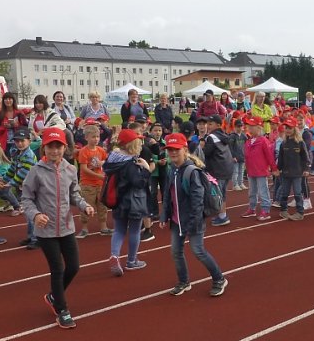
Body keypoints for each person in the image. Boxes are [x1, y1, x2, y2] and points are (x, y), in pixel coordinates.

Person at [20, 127, 94, 329]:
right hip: (46, 230)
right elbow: (26, 199)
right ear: (44, 148)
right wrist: (35, 215)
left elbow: (74, 194)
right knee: (57, 269)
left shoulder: (70, 169)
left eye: (59, 147)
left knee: (74, 266)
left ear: (65, 148)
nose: (55, 151)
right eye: (51, 147)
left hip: (67, 227)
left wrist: (84, 205)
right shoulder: (36, 171)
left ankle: (54, 296)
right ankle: (62, 309)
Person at [159, 132, 227, 297]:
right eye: (170, 150)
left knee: (198, 250)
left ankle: (219, 278)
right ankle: (183, 281)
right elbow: (167, 195)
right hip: (177, 220)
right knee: (176, 251)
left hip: (192, 219)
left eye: (176, 149)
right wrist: (164, 215)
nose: (173, 153)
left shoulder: (192, 172)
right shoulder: (171, 170)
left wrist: (194, 223)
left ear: (184, 149)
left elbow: (197, 200)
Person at [104, 128, 153, 275]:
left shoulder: (112, 159)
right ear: (132, 145)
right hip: (134, 201)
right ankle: (132, 260)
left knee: (119, 230)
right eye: (138, 142)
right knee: (134, 230)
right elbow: (138, 182)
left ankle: (114, 255)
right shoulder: (131, 163)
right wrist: (145, 170)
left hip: (118, 200)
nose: (140, 145)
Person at [2, 128, 40, 249]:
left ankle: (36, 239)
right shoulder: (18, 154)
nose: (19, 143)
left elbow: (24, 172)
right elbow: (13, 169)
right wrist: (4, 179)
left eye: (22, 141)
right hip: (22, 188)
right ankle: (31, 236)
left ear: (29, 141)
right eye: (17, 141)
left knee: (32, 214)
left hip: (31, 188)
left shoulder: (28, 155)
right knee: (28, 214)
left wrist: (10, 183)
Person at [75, 125, 110, 240]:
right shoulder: (84, 151)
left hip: (100, 184)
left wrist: (103, 163)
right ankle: (84, 228)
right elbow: (84, 169)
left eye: (97, 137)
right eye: (93, 137)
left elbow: (107, 160)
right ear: (86, 138)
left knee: (102, 206)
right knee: (87, 205)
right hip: (87, 184)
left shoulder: (100, 150)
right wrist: (99, 176)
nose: (96, 139)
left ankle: (103, 227)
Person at [242, 115, 276, 220]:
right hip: (251, 170)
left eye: (252, 126)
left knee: (263, 190)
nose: (250, 128)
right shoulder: (248, 141)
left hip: (261, 170)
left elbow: (269, 156)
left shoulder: (263, 141)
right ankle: (252, 208)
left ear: (259, 127)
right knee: (252, 191)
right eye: (249, 126)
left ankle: (266, 210)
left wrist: (274, 168)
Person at [203, 115, 234, 226]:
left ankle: (222, 216)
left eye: (210, 124)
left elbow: (207, 153)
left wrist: (202, 146)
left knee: (217, 194)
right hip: (226, 168)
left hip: (218, 169)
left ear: (217, 125)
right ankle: (222, 214)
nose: (208, 126)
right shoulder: (223, 135)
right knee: (222, 193)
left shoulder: (211, 137)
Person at [276, 117, 309, 220]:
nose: (288, 130)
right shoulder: (283, 143)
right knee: (284, 192)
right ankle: (283, 210)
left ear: (295, 128)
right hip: (285, 173)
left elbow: (305, 157)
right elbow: (280, 159)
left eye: (290, 127)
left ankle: (300, 212)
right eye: (286, 128)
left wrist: (306, 169)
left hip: (297, 173)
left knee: (297, 192)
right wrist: (277, 169)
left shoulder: (300, 143)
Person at [227, 118, 247, 190]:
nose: (240, 128)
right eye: (238, 126)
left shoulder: (244, 136)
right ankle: (235, 184)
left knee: (241, 171)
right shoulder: (232, 136)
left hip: (242, 156)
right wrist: (233, 156)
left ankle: (240, 183)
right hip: (235, 157)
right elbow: (230, 147)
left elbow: (247, 144)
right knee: (235, 171)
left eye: (241, 126)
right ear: (235, 127)